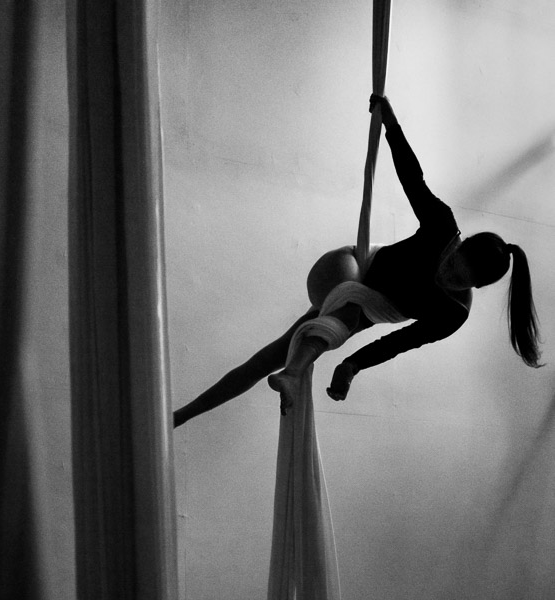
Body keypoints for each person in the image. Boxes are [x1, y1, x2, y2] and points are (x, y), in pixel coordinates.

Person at [174, 94, 542, 426]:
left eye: (459, 281)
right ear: (457, 247)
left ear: (473, 289)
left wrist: (352, 366)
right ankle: (293, 373)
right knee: (348, 307)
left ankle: (182, 416)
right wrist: (391, 126)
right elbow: (413, 179)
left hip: (370, 310)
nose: (448, 278)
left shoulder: (452, 314)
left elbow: (400, 342)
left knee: (271, 355)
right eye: (451, 266)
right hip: (352, 267)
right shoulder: (442, 227)